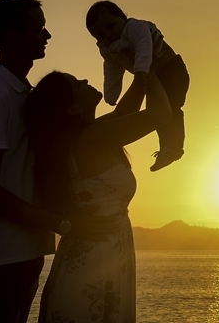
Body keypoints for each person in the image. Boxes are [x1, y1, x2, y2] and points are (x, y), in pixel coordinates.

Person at [0, 0, 114, 323]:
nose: (47, 36)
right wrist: (62, 224)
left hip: (21, 257)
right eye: (38, 28)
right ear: (11, 36)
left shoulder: (23, 95)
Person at [26, 67, 171, 323]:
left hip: (96, 259)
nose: (83, 79)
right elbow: (160, 114)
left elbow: (125, 113)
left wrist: (137, 68)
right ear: (71, 108)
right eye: (76, 84)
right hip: (95, 265)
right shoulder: (92, 137)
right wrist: (148, 64)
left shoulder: (86, 135)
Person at [85, 1, 190, 171]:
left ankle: (173, 147)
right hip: (151, 76)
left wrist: (141, 71)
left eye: (111, 26)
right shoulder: (109, 47)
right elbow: (112, 69)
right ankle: (167, 148)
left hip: (171, 70)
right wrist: (111, 95)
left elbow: (144, 48)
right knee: (157, 111)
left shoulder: (135, 28)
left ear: (122, 17)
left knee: (168, 109)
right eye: (101, 35)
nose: (108, 35)